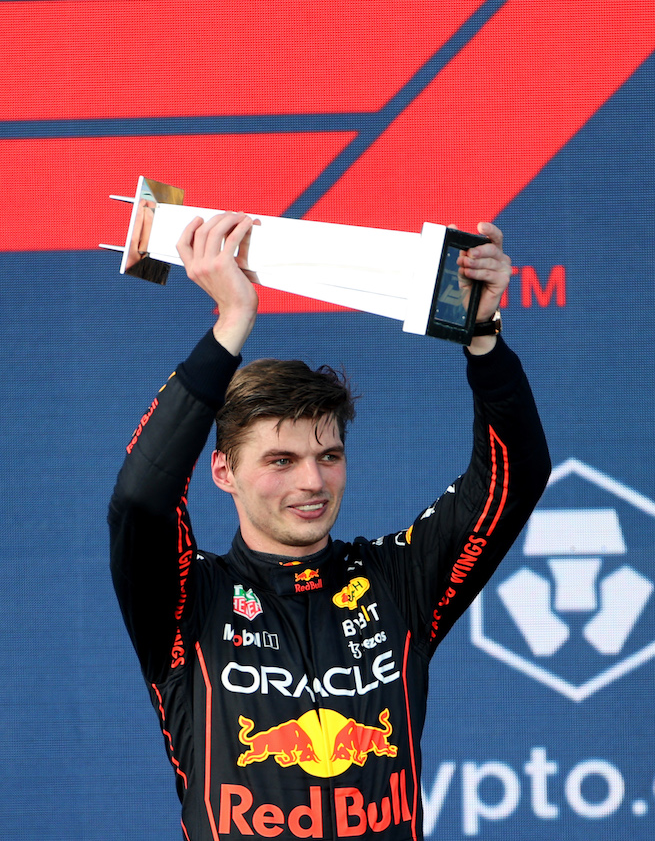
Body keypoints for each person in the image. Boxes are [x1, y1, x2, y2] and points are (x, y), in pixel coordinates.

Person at [109, 212, 550, 840]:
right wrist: (230, 325)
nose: (311, 482)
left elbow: (517, 475)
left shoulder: (397, 579)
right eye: (281, 461)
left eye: (329, 456)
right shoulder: (186, 598)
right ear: (223, 471)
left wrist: (482, 334)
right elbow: (141, 500)